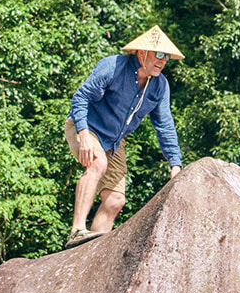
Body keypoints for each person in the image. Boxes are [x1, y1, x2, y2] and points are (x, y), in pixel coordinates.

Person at [64, 25, 184, 249]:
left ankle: (90, 252)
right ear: (142, 53)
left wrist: (175, 164)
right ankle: (77, 230)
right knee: (98, 163)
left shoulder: (160, 86)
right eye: (159, 54)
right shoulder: (113, 66)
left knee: (115, 200)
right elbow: (80, 98)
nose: (163, 61)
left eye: (166, 56)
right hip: (86, 126)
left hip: (115, 140)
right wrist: (84, 136)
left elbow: (165, 125)